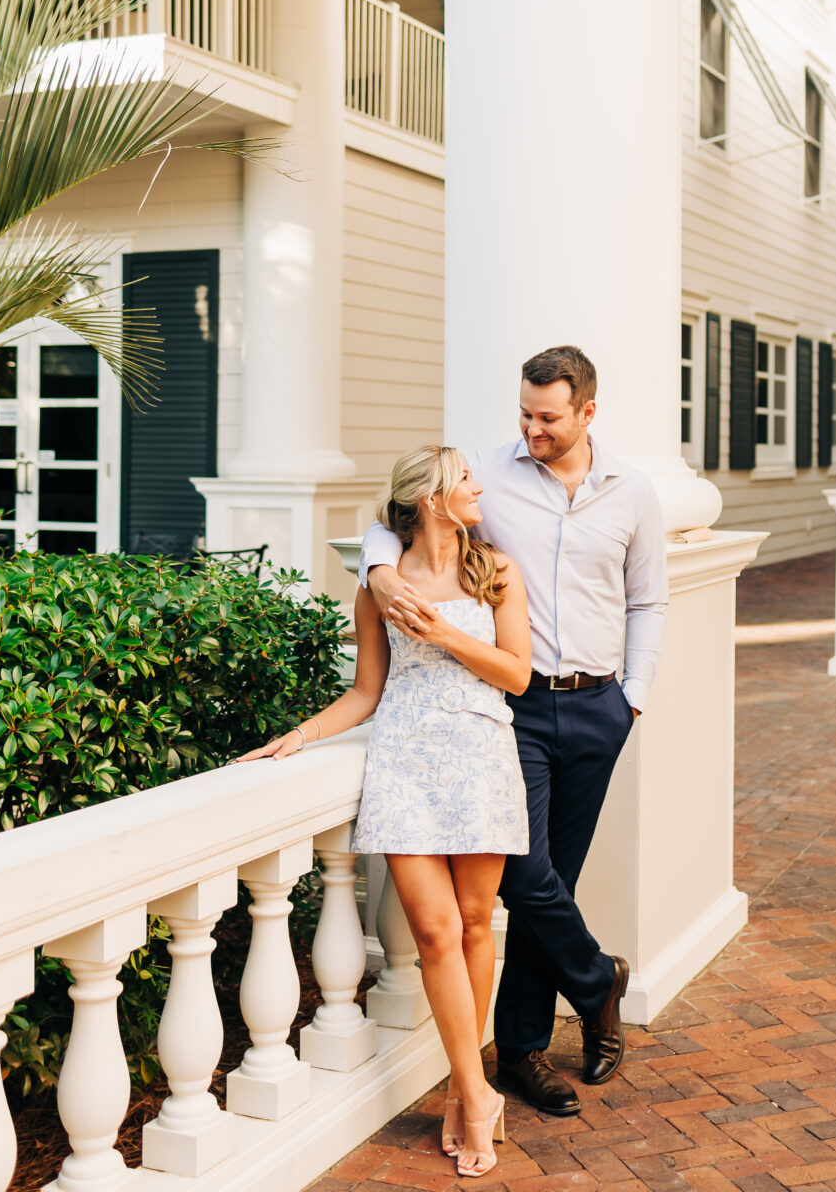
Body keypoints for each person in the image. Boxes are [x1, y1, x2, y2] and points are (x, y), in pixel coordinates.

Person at [359, 345, 668, 1118]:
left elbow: (648, 602)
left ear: (586, 412)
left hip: (599, 705)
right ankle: (596, 982)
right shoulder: (487, 475)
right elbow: (400, 515)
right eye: (524, 414)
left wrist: (632, 697)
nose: (532, 429)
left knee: (552, 878)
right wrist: (379, 571)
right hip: (515, 708)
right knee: (524, 877)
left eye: (548, 418)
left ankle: (525, 1050)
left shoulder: (633, 493)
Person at [239, 445, 531, 1179]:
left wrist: (448, 636)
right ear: (430, 499)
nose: (477, 487)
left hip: (478, 755)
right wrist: (299, 736)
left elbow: (519, 676)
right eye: (464, 479)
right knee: (433, 933)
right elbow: (366, 692)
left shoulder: (494, 571)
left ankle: (468, 1100)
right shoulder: (381, 584)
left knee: (472, 924)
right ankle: (473, 1091)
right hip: (403, 758)